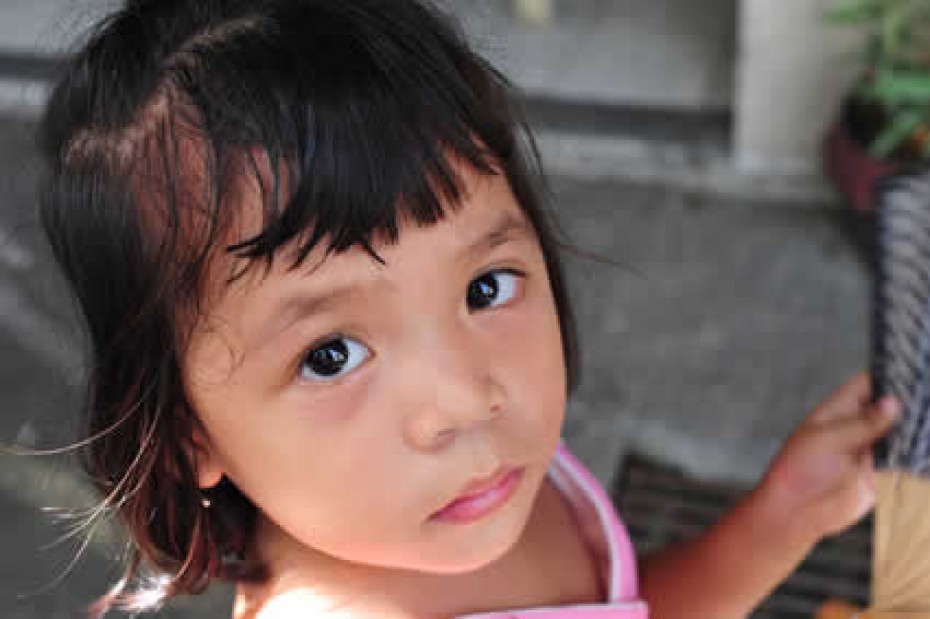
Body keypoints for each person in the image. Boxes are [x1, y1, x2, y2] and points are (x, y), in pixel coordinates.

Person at [36, 0, 899, 617]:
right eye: (330, 353)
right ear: (189, 430)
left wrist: (782, 517)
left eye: (484, 288)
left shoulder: (485, 482)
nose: (462, 397)